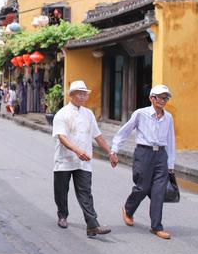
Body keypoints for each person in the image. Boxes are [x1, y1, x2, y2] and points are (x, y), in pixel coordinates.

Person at [110, 84, 176, 240]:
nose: (163, 100)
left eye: (165, 98)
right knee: (142, 187)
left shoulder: (169, 117)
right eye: (160, 97)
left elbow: (171, 140)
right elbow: (124, 132)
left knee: (158, 192)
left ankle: (156, 226)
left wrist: (171, 164)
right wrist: (114, 150)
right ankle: (128, 209)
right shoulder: (141, 114)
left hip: (161, 155)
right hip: (144, 153)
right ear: (152, 98)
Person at [52, 80, 116, 237]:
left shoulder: (88, 114)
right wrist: (76, 150)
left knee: (85, 192)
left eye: (84, 94)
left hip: (84, 160)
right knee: (61, 190)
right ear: (71, 95)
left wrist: (110, 152)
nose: (82, 97)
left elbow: (97, 135)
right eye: (79, 93)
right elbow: (61, 137)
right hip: (65, 159)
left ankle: (92, 225)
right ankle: (62, 215)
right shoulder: (62, 114)